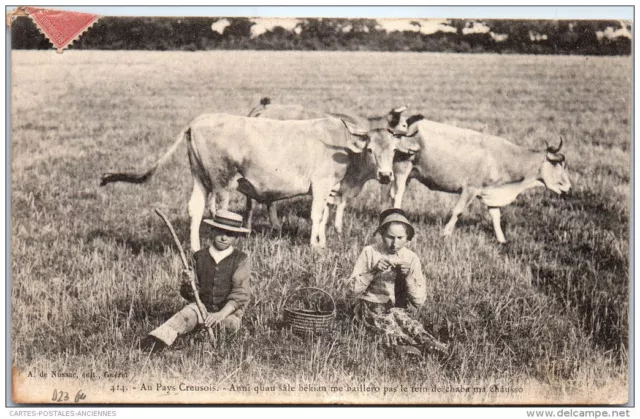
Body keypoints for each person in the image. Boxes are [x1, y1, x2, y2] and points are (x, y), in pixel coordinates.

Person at [143, 210, 251, 352]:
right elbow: (189, 294)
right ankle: (156, 341)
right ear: (212, 231)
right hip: (201, 307)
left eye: (230, 234)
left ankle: (206, 341)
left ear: (237, 237)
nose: (224, 238)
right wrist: (188, 283)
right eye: (220, 232)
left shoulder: (241, 259)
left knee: (229, 326)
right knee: (184, 317)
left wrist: (220, 314)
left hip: (228, 311)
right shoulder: (199, 257)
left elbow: (240, 294)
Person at [346, 208, 448, 354]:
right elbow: (352, 290)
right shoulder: (370, 252)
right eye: (390, 237)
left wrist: (408, 277)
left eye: (400, 238)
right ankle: (402, 348)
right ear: (381, 234)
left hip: (397, 308)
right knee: (386, 325)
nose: (395, 243)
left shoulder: (411, 258)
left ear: (408, 238)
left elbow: (419, 301)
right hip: (370, 307)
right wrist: (373, 271)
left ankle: (429, 345)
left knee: (410, 324)